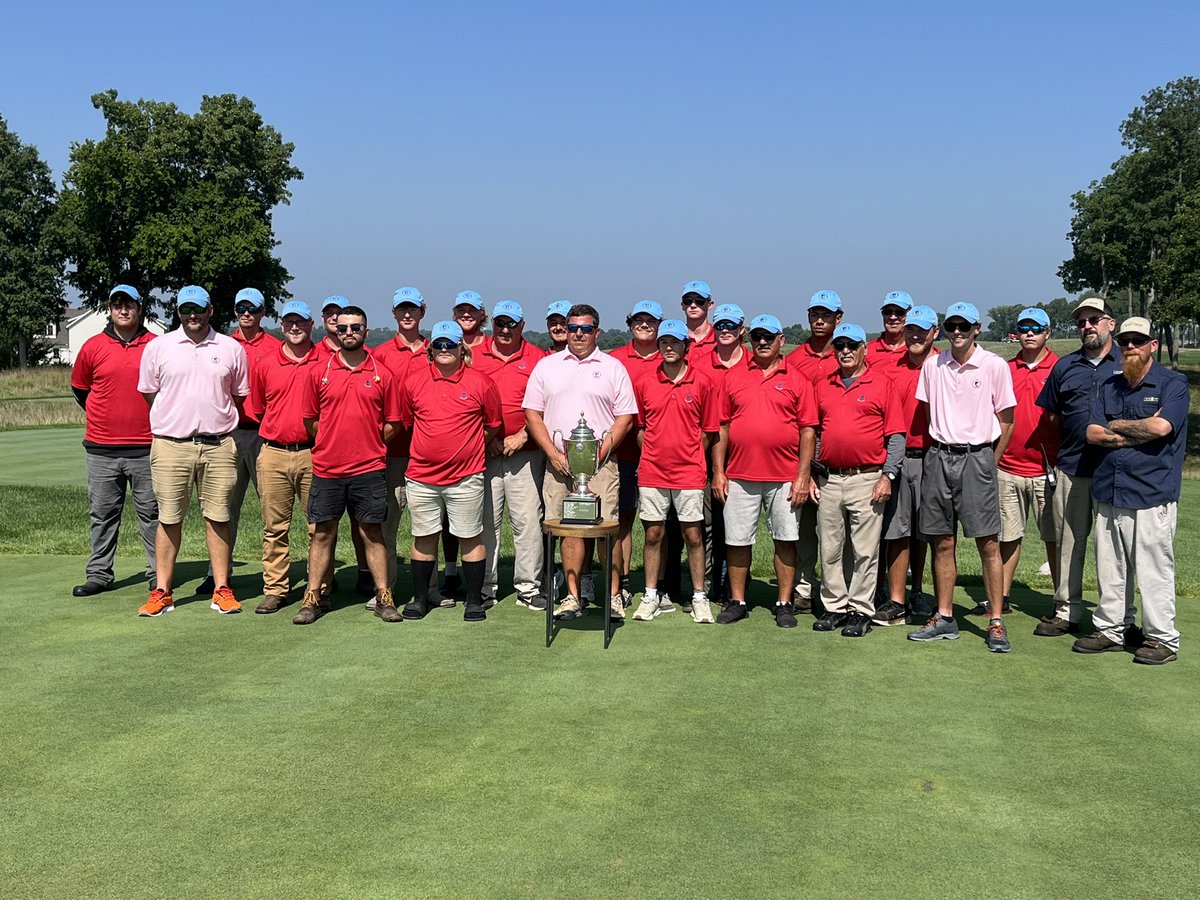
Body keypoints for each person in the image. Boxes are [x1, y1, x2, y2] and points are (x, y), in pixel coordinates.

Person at [1072, 317, 1188, 665]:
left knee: (1154, 569)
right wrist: (1133, 432)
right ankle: (1111, 630)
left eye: (1138, 340)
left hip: (1151, 492)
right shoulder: (1109, 386)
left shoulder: (1173, 383)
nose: (1130, 346)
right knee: (1111, 568)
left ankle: (1161, 638)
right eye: (1125, 341)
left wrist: (1117, 426)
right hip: (1109, 490)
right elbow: (1092, 433)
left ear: (1153, 344)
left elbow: (1161, 426)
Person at [907, 302, 1015, 652]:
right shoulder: (933, 365)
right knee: (942, 541)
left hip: (977, 458)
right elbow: (929, 413)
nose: (957, 331)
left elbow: (1007, 421)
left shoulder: (994, 365)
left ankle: (996, 621)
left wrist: (988, 461)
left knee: (988, 543)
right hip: (938, 456)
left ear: (976, 329)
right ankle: (945, 616)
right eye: (951, 325)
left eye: (963, 326)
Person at [135, 285, 249, 617]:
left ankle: (222, 588)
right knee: (169, 518)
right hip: (171, 445)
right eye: (186, 309)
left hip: (219, 445)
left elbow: (237, 395)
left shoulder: (230, 348)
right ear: (178, 312)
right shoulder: (160, 347)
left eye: (198, 309)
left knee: (218, 517)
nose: (192, 315)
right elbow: (149, 393)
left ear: (211, 310)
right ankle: (162, 591)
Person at [523, 303, 637, 621]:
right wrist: (553, 453)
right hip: (559, 464)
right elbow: (532, 413)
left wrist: (599, 454)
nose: (578, 334)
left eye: (585, 329)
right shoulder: (548, 367)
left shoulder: (613, 368)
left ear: (596, 332)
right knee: (568, 529)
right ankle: (573, 598)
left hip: (601, 464)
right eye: (573, 328)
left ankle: (613, 597)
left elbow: (625, 417)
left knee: (607, 529)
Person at [295, 305, 402, 624]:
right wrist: (334, 440)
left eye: (355, 327)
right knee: (322, 534)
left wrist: (366, 441)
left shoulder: (383, 373)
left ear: (366, 332)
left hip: (369, 468)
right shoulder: (319, 371)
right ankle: (313, 596)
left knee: (373, 533)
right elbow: (310, 420)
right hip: (328, 469)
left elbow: (393, 423)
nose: (349, 333)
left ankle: (384, 596)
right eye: (342, 328)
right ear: (333, 331)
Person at [712, 314, 817, 627]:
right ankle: (738, 600)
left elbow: (807, 431)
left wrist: (802, 476)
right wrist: (719, 471)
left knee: (785, 540)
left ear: (780, 341)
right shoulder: (733, 377)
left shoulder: (797, 379)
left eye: (768, 337)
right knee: (737, 541)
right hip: (740, 475)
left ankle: (784, 603)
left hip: (784, 476)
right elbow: (722, 426)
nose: (762, 342)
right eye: (757, 337)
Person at [398, 321, 502, 622]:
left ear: (462, 349)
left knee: (470, 537)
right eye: (439, 345)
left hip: (466, 476)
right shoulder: (414, 381)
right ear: (431, 350)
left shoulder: (481, 382)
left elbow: (493, 424)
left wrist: (468, 444)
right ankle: (420, 599)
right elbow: (407, 422)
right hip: (421, 475)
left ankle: (473, 601)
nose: (444, 350)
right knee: (423, 537)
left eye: (451, 345)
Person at [1033, 297, 1125, 638]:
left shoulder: (1126, 362)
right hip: (1072, 467)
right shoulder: (1065, 366)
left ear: (1110, 323)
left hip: (1116, 471)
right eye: (1082, 321)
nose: (1088, 326)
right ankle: (1066, 611)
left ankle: (1115, 619)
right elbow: (1054, 416)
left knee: (1113, 548)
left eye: (1095, 319)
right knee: (1069, 543)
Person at [811, 323, 904, 637]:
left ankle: (860, 609)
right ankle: (834, 606)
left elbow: (895, 436)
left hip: (867, 477)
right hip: (830, 478)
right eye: (840, 346)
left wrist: (887, 475)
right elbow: (817, 433)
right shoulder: (824, 384)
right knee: (830, 547)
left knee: (865, 550)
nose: (845, 351)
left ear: (865, 348)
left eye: (852, 345)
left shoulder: (881, 383)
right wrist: (813, 473)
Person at [70, 284, 159, 597]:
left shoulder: (156, 345)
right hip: (102, 447)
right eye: (117, 304)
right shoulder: (93, 346)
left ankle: (159, 575)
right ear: (109, 309)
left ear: (139, 308)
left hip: (147, 446)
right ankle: (99, 574)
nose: (124, 310)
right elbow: (81, 389)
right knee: (103, 515)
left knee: (152, 515)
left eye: (129, 304)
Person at [631, 320, 719, 624]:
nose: (668, 348)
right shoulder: (644, 382)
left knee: (693, 534)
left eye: (675, 343)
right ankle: (651, 595)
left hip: (690, 472)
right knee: (653, 533)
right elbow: (640, 429)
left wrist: (688, 452)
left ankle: (699, 596)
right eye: (664, 342)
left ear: (686, 347)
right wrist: (657, 451)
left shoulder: (703, 382)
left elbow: (709, 430)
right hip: (653, 471)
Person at [245, 300, 328, 613]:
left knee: (318, 526)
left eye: (301, 322)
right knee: (274, 528)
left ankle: (319, 587)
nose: (295, 327)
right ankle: (276, 589)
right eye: (290, 322)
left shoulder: (326, 361)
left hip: (314, 452)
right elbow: (256, 408)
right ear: (282, 326)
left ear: (310, 325)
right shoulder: (265, 363)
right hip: (274, 453)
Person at [196, 287, 280, 596]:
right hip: (229, 433)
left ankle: (275, 575)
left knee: (271, 509)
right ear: (234, 312)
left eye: (253, 309)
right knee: (224, 507)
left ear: (262, 313)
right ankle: (218, 573)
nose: (247, 314)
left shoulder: (275, 346)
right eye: (241, 308)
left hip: (263, 434)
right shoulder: (221, 344)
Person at [473, 301, 548, 610]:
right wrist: (486, 436)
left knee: (527, 522)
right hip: (485, 451)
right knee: (486, 522)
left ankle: (528, 588)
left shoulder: (538, 358)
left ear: (522, 325)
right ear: (492, 322)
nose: (505, 329)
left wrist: (524, 435)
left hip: (525, 452)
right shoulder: (475, 355)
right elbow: (466, 401)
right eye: (500, 323)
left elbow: (547, 405)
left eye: (512, 324)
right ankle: (486, 588)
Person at [373, 286, 442, 605]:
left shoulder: (436, 351)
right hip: (390, 454)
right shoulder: (381, 354)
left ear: (422, 312)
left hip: (426, 454)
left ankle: (428, 589)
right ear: (394, 313)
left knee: (428, 527)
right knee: (386, 528)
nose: (407, 314)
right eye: (402, 308)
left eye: (413, 308)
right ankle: (384, 590)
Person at [874, 304, 939, 625]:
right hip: (898, 458)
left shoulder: (944, 364)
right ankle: (896, 598)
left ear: (933, 333)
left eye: (922, 330)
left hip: (935, 457)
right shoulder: (890, 368)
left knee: (929, 530)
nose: (915, 335)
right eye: (911, 329)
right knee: (896, 530)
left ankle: (919, 591)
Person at [995, 307, 1060, 619]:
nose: (1030, 333)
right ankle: (1002, 597)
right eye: (1024, 328)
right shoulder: (1005, 369)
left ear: (1048, 332)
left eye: (1036, 327)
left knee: (1055, 538)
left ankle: (1063, 601)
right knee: (1007, 537)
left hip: (1048, 469)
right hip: (1007, 466)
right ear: (1017, 333)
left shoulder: (1060, 368)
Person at [693, 303, 752, 606]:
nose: (726, 331)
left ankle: (734, 586)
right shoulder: (700, 363)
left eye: (732, 326)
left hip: (744, 458)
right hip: (704, 455)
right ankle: (705, 586)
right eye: (721, 326)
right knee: (705, 525)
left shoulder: (755, 364)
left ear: (742, 329)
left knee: (736, 526)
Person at [788, 290, 844, 612]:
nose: (819, 320)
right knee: (804, 528)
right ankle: (804, 588)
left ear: (839, 318)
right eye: (814, 314)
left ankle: (836, 591)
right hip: (804, 452)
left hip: (839, 453)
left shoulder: (848, 352)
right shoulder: (795, 360)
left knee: (838, 531)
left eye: (826, 315)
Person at [613, 300, 664, 606]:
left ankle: (657, 586)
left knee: (657, 525)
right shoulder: (616, 358)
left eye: (651, 320)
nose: (644, 325)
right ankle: (623, 582)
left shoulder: (670, 354)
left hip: (661, 459)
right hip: (623, 454)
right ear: (630, 323)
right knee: (622, 521)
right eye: (639, 320)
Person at [866, 291, 913, 363]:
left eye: (899, 312)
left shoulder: (918, 350)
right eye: (888, 312)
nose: (893, 317)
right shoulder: (867, 351)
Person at [681, 280, 716, 350]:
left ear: (710, 304)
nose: (693, 305)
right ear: (682, 305)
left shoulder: (720, 337)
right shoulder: (675, 339)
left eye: (699, 300)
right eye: (688, 300)